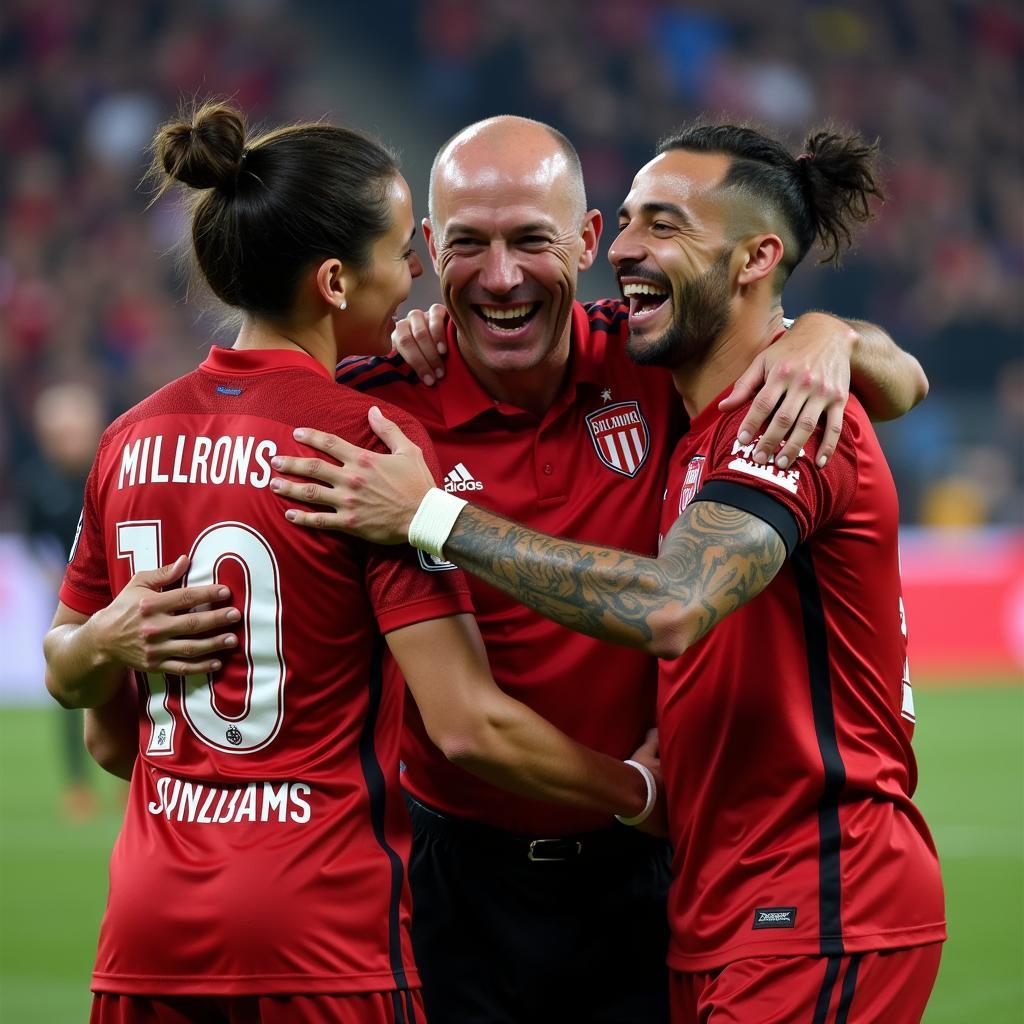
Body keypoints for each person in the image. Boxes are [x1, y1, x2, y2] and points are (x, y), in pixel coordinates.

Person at [269, 122, 946, 1023]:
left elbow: (891, 379)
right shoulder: (382, 409)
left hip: (683, 875)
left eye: (532, 241)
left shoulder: (682, 370)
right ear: (430, 253)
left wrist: (829, 335)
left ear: (583, 244)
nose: (502, 276)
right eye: (468, 243)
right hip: (469, 877)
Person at [42, 101, 664, 1024]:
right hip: (324, 924)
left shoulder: (130, 439)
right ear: (336, 280)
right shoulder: (364, 441)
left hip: (147, 921)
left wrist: (107, 653)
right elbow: (466, 725)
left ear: (584, 240)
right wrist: (640, 789)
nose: (416, 280)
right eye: (406, 255)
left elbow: (106, 737)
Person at [20, 381, 108, 821]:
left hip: (112, 591)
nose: (66, 441)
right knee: (69, 685)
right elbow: (33, 541)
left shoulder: (106, 468)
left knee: (132, 681)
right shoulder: (37, 482)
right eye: (58, 434)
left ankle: (137, 776)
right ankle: (77, 784)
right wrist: (53, 575)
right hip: (66, 599)